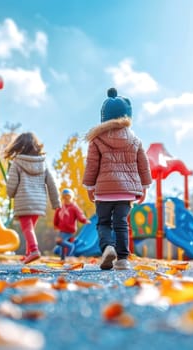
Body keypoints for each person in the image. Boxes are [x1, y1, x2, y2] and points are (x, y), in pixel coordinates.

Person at [83, 88, 152, 270]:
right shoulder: (135, 139)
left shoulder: (96, 139)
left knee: (104, 222)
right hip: (126, 191)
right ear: (127, 116)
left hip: (104, 191)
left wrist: (90, 186)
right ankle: (122, 259)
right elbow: (143, 165)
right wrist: (144, 187)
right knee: (121, 224)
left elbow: (92, 165)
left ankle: (107, 247)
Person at [4, 132, 60, 264]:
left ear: (20, 146)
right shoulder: (43, 164)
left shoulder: (17, 163)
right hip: (38, 202)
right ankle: (29, 253)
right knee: (30, 228)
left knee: (26, 228)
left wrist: (10, 194)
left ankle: (34, 250)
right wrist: (55, 202)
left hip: (24, 201)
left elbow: (12, 184)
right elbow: (51, 184)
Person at [53, 188, 89, 261]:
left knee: (65, 243)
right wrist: (55, 224)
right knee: (62, 245)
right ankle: (63, 258)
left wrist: (84, 220)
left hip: (70, 230)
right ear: (62, 198)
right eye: (65, 197)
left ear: (71, 197)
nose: (66, 199)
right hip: (62, 230)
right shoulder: (60, 207)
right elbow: (56, 217)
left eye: (68, 197)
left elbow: (80, 215)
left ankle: (68, 255)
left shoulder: (74, 207)